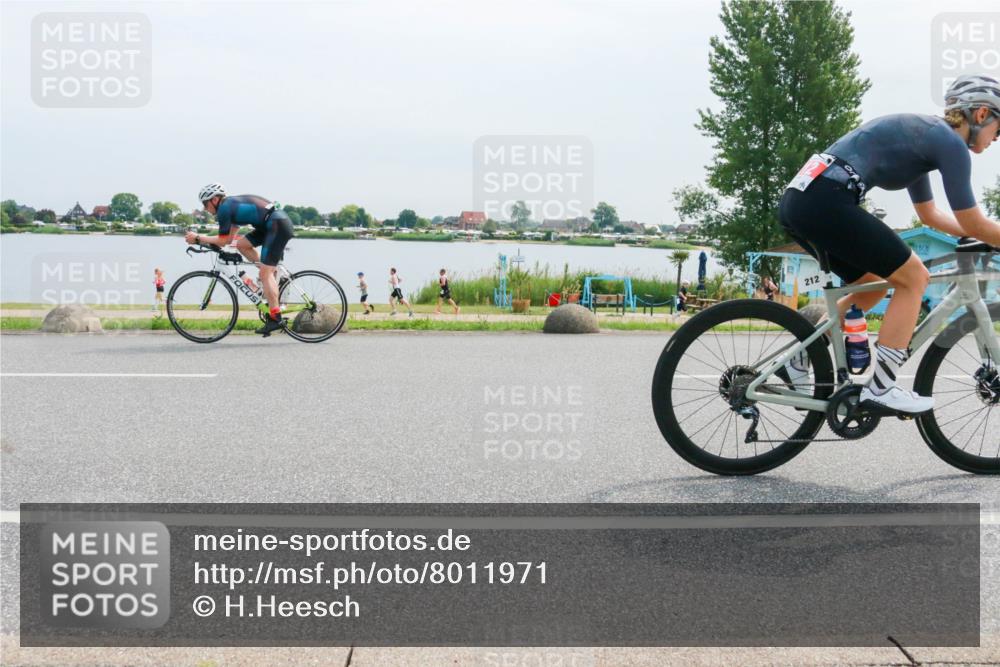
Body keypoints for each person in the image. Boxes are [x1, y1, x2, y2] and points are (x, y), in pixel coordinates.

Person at [778, 74, 1000, 415]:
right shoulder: (949, 144)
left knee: (874, 286)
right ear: (982, 114)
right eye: (999, 129)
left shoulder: (925, 140)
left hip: (803, 200)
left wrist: (980, 237)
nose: (997, 139)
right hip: (825, 199)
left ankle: (798, 360)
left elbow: (929, 215)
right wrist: (982, 233)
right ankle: (881, 388)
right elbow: (972, 220)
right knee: (915, 277)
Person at [186, 183, 295, 336]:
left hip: (276, 224)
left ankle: (275, 318)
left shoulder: (224, 209)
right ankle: (271, 273)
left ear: (215, 200)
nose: (205, 208)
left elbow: (222, 240)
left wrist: (198, 238)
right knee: (242, 245)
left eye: (205, 204)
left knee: (265, 275)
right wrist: (207, 241)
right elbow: (229, 240)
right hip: (271, 223)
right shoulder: (230, 206)